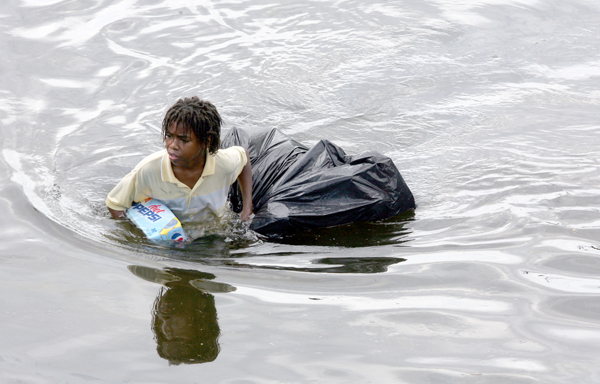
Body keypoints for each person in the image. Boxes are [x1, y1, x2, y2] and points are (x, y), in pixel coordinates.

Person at [106, 97, 253, 224]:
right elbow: (115, 203)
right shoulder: (149, 170)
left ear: (206, 141)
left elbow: (244, 157)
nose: (172, 145)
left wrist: (247, 209)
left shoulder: (223, 164)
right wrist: (138, 232)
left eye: (184, 139)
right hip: (171, 239)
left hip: (213, 232)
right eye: (169, 136)